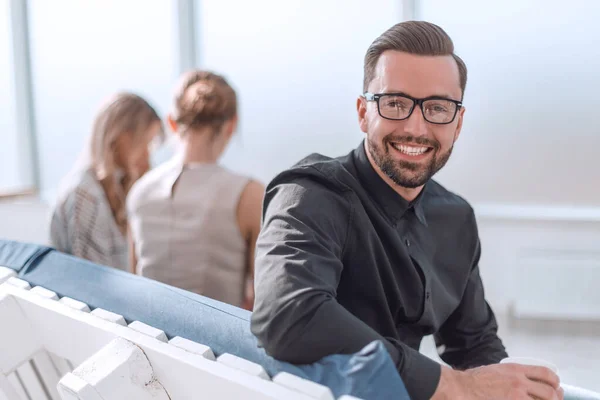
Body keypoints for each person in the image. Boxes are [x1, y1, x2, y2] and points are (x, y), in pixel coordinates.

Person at [251, 21, 565, 400]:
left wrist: (508, 386)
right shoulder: (311, 195)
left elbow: (473, 343)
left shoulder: (457, 218)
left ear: (458, 123)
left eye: (437, 107)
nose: (416, 128)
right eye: (396, 103)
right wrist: (452, 385)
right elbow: (290, 317)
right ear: (363, 112)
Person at [126, 70, 263, 310]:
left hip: (147, 334)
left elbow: (134, 280)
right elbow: (264, 297)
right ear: (231, 125)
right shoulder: (249, 195)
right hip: (217, 343)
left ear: (171, 122)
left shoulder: (140, 191)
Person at [50, 93, 163, 270]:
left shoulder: (117, 185)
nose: (148, 155)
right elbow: (91, 281)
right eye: (146, 143)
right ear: (122, 138)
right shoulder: (85, 194)